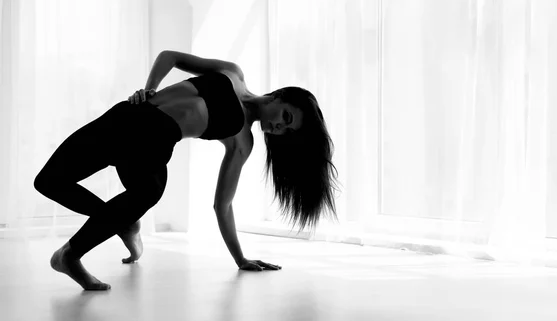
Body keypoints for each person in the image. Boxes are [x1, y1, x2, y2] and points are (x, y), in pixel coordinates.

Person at [33, 50, 339, 290]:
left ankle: (68, 256)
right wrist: (149, 89)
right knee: (47, 181)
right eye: (286, 117)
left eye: (286, 130)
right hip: (127, 117)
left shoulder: (242, 142)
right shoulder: (232, 73)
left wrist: (240, 258)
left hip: (150, 151)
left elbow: (223, 205)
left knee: (147, 193)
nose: (278, 127)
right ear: (282, 96)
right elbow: (172, 57)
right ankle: (122, 224)